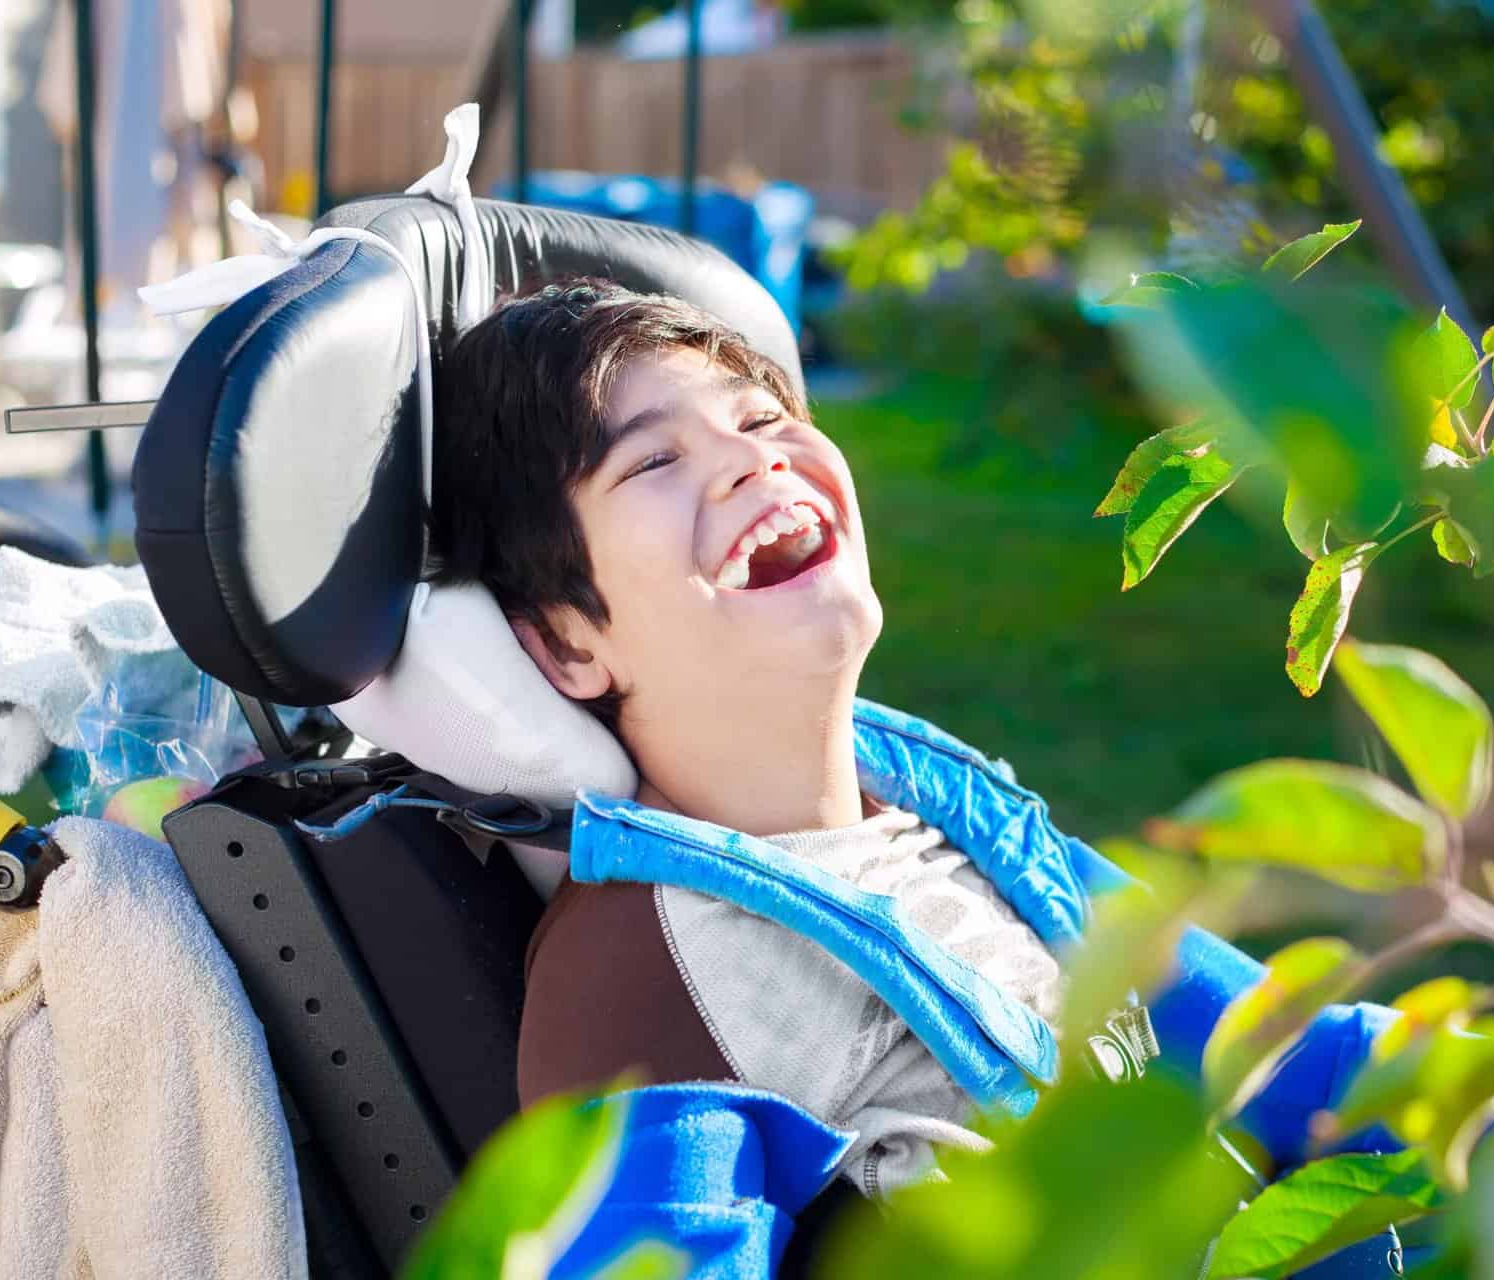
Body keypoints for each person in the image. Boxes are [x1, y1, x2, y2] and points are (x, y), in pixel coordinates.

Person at [427, 278, 1397, 1276]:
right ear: (566, 642)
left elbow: (1282, 1052)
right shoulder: (640, 972)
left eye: (762, 415)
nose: (751, 456)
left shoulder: (954, 819)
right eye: (655, 459)